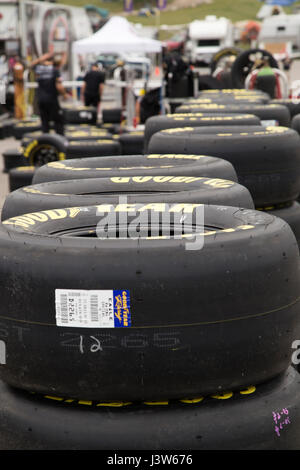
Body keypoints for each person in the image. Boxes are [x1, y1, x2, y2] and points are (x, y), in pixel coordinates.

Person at [29, 52, 68, 135]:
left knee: (44, 121)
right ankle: (60, 140)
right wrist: (64, 94)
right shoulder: (54, 70)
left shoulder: (39, 69)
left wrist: (44, 57)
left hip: (41, 99)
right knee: (58, 120)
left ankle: (46, 140)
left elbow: (31, 65)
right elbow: (59, 86)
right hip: (52, 99)